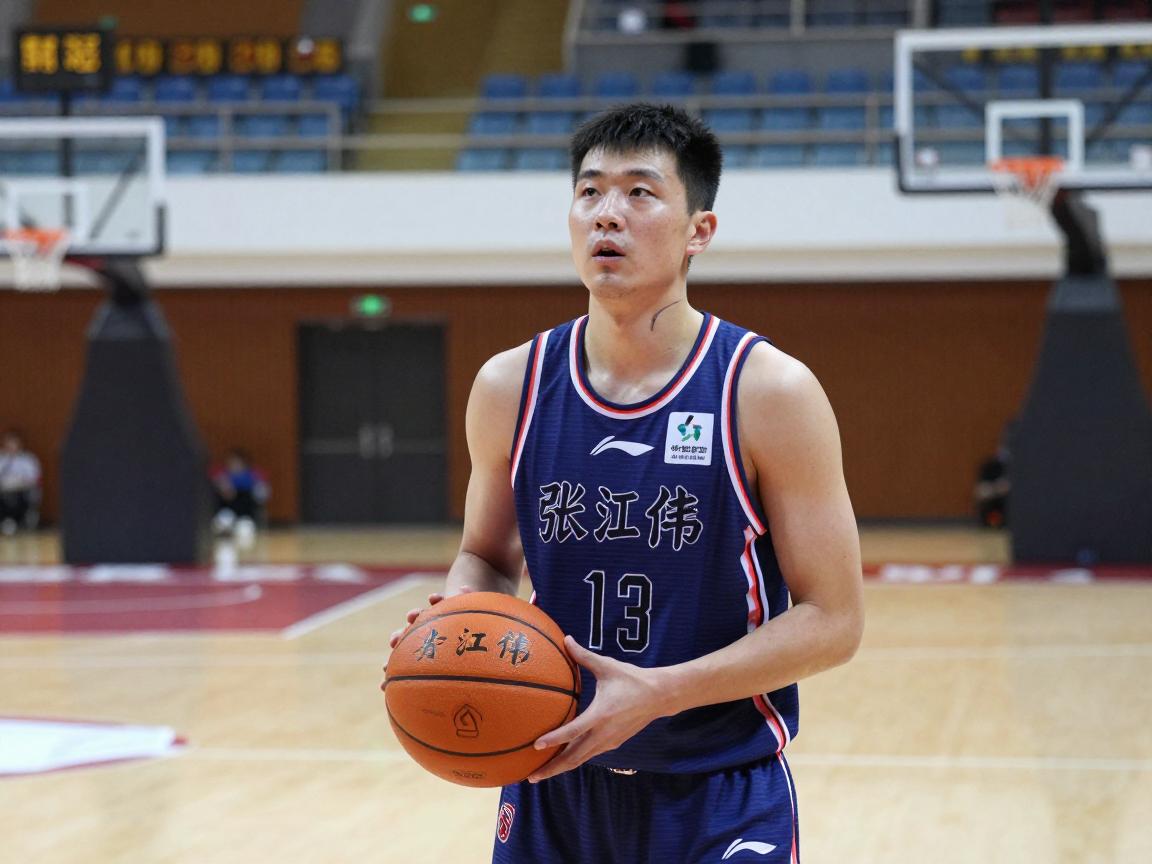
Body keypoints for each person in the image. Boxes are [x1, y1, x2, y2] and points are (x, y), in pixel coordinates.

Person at [389, 104, 864, 862]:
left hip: (716, 789)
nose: (607, 213)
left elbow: (833, 621)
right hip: (551, 779)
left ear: (699, 230)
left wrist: (661, 691)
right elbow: (485, 556)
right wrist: (454, 631)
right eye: (590, 192)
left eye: (640, 192)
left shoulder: (768, 392)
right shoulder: (510, 386)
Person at [211, 448, 269, 541]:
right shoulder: (222, 476)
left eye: (237, 462)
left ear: (244, 463)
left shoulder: (254, 476)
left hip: (245, 516)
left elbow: (263, 495)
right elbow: (213, 478)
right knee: (223, 522)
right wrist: (222, 487)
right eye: (232, 462)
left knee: (244, 530)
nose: (235, 465)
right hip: (227, 513)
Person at [0, 429, 42, 535]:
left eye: (14, 443)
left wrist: (20, 482)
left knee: (25, 495)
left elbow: (35, 480)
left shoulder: (28, 460)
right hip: (4, 491)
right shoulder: (1, 459)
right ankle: (7, 520)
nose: (11, 447)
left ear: (19, 444)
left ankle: (26, 518)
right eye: (9, 443)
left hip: (22, 490)